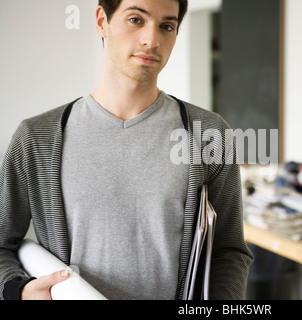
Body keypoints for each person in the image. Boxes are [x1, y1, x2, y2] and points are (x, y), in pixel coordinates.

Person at [0, 0, 253, 300]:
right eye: (136, 19)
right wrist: (20, 291)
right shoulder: (36, 138)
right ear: (101, 20)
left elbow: (229, 250)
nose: (152, 39)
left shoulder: (209, 134)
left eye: (167, 26)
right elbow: (3, 244)